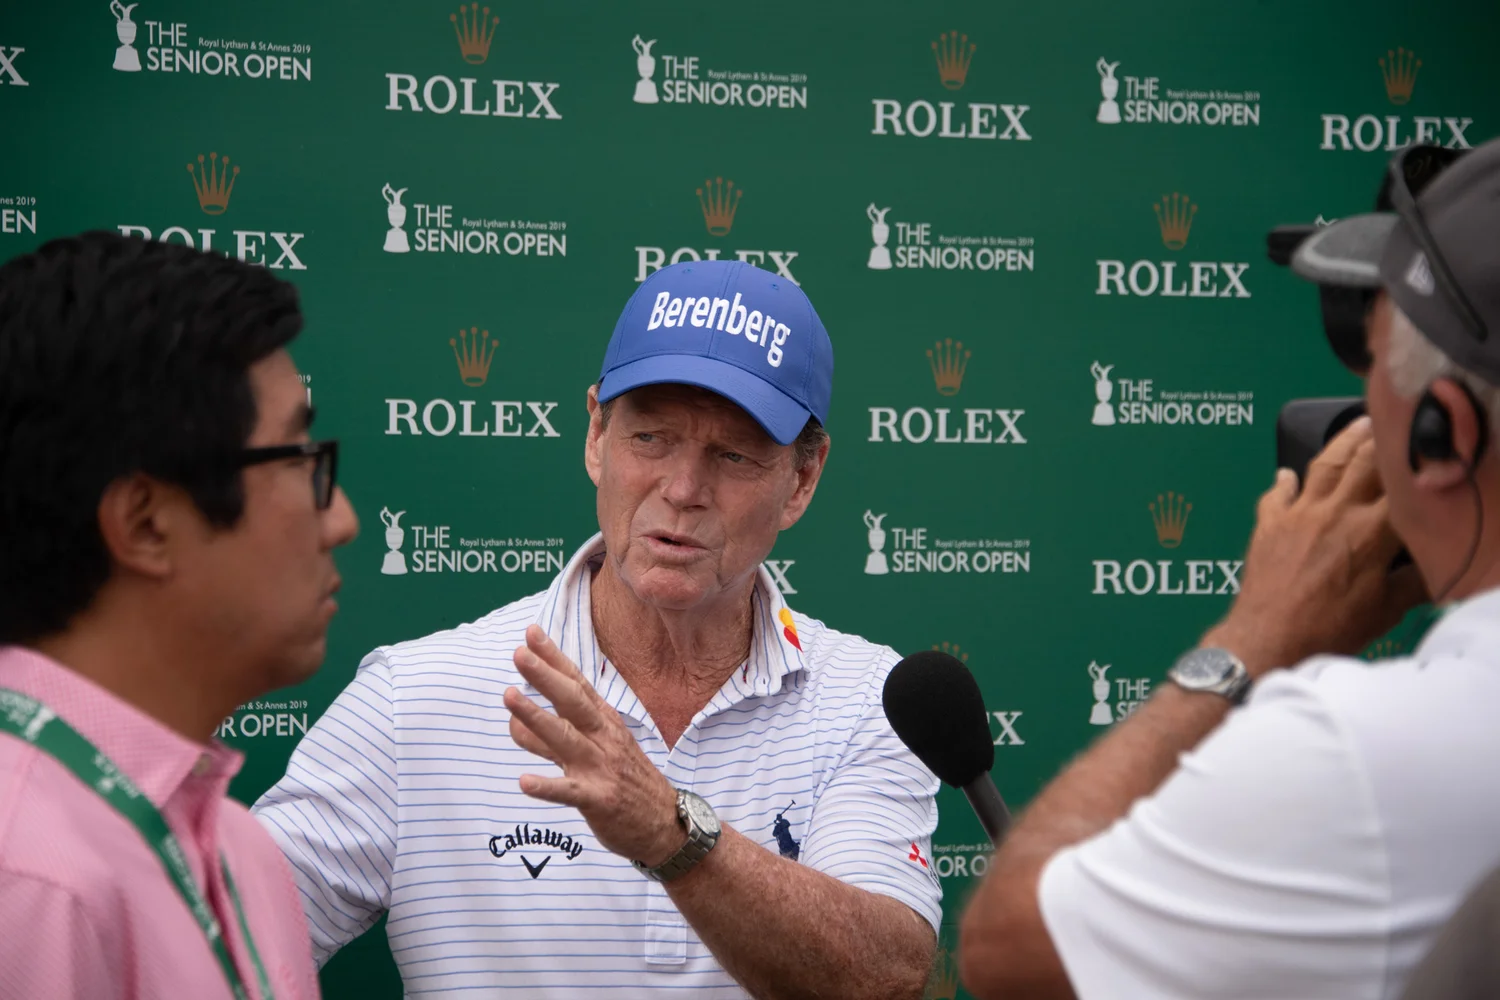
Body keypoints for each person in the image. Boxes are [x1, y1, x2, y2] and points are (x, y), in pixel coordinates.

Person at [253, 260, 942, 998]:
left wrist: (670, 833)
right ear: (595, 434)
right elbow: (213, 947)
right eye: (651, 438)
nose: (683, 489)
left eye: (733, 454)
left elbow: (887, 978)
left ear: (802, 480)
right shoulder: (414, 698)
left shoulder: (867, 698)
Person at [960, 137, 1500, 1000]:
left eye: (1372, 373)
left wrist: (1256, 636)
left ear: (1443, 435)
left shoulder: (1362, 753)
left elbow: (1010, 948)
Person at [0, 231, 358, 998]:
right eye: (298, 461)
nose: (342, 521)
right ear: (146, 522)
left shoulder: (241, 849)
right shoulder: (29, 877)